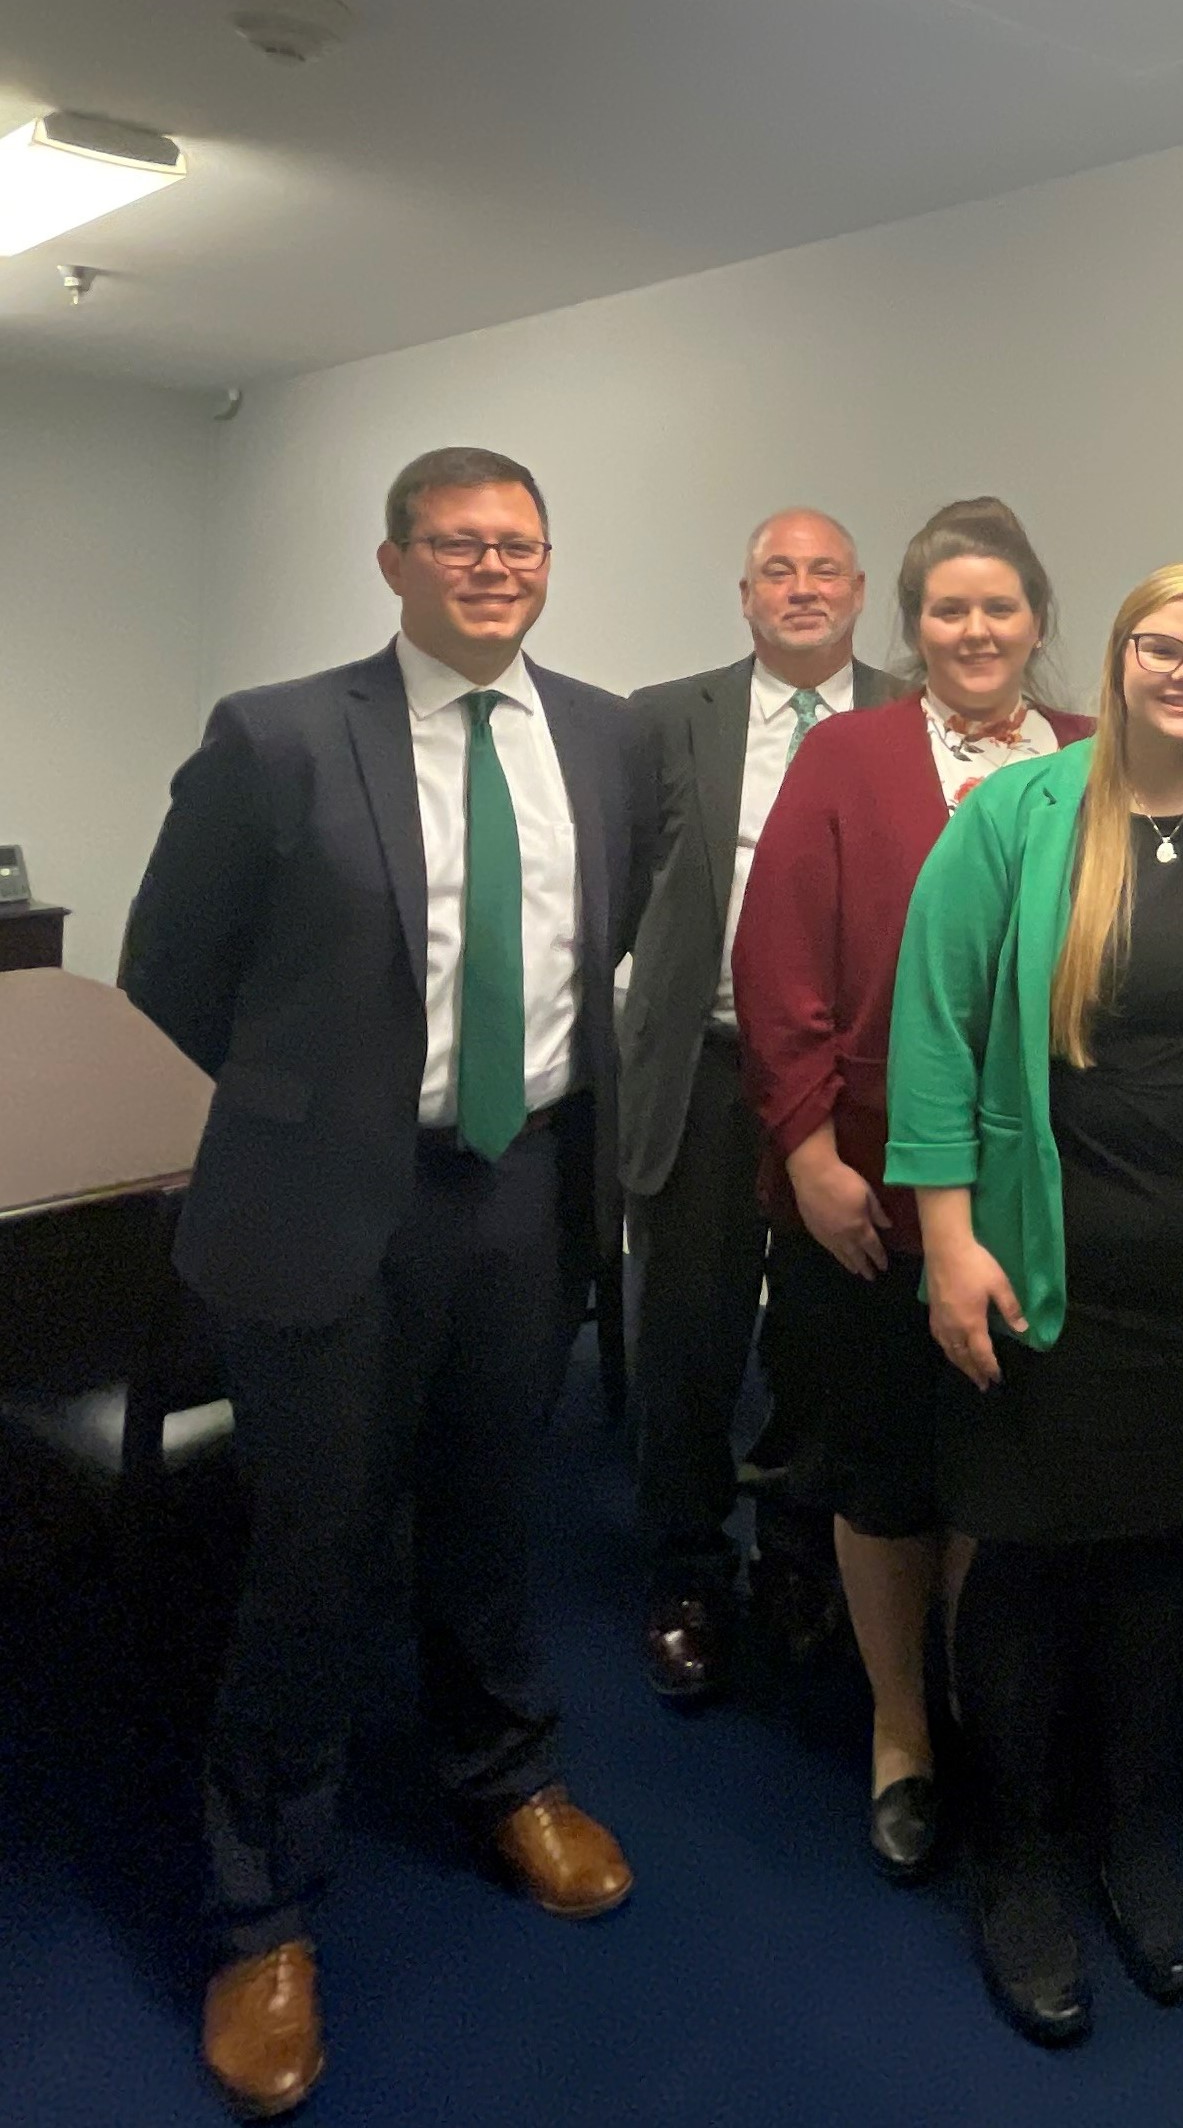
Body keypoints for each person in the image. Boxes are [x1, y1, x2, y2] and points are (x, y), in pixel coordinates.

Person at [120, 447, 656, 2121]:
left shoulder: (603, 735)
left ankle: (504, 1772)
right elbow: (169, 976)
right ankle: (259, 1906)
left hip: (520, 1191)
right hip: (324, 1202)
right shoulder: (276, 733)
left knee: (497, 1504)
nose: (492, 566)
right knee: (311, 1548)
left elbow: (600, 939)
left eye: (520, 542)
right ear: (394, 559)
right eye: (458, 541)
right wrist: (317, 1107)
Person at [887, 562, 1183, 2048]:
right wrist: (945, 1235)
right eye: (1160, 646)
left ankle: (1129, 1841)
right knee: (1025, 1556)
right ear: (1119, 660)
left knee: (1150, 1562)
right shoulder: (1016, 814)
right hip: (1035, 1264)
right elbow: (930, 1027)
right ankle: (1014, 1863)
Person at [732, 497, 1089, 1881]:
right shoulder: (848, 754)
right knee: (879, 1466)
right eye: (948, 609)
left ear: (1039, 622)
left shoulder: (1092, 760)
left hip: (1040, 1194)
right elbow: (779, 971)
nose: (976, 630)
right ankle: (899, 1729)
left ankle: (969, 1689)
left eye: (1000, 607)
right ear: (915, 628)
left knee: (996, 1470)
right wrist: (810, 1152)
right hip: (868, 1192)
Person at [619, 508, 895, 1704]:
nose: (800, 588)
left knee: (824, 1335)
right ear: (743, 595)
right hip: (710, 1068)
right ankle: (688, 1570)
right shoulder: (662, 718)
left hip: (856, 1081)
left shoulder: (912, 713)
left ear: (859, 590)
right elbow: (619, 880)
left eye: (822, 569)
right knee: (689, 1327)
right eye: (775, 571)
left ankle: (797, 1554)